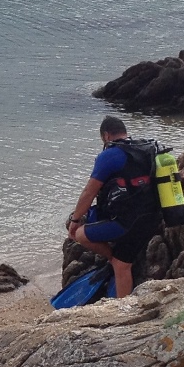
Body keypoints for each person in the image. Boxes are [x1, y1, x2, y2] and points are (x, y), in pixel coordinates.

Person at [64, 116, 162, 299]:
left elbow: (89, 192)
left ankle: (112, 266)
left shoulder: (109, 155)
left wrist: (75, 220)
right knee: (122, 262)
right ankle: (122, 295)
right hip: (152, 216)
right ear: (125, 131)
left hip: (127, 223)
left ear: (106, 135)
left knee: (81, 235)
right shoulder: (147, 148)